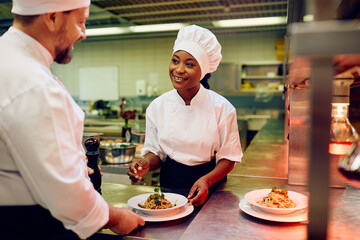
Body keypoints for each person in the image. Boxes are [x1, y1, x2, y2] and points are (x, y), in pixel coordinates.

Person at [0, 0, 144, 239]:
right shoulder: (33, 84)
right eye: (81, 22)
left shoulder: (10, 60)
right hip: (31, 225)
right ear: (53, 17)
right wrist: (117, 217)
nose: (83, 34)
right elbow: (64, 192)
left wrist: (76, 163)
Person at [128, 25, 243, 206]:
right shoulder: (157, 106)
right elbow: (156, 153)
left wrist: (207, 180)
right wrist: (145, 164)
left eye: (189, 64)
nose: (179, 70)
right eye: (175, 61)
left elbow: (228, 158)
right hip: (169, 187)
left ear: (204, 70)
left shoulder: (222, 108)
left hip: (211, 187)